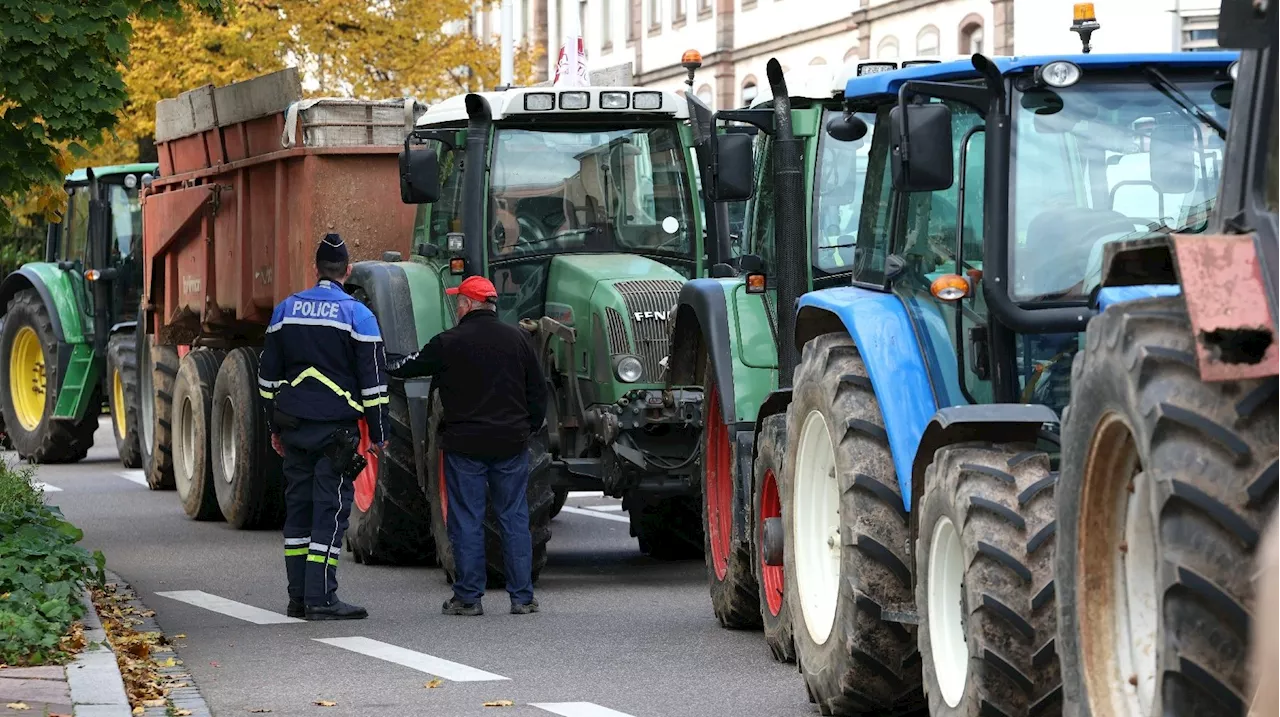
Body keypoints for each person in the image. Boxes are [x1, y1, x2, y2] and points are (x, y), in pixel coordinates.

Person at [386, 275, 546, 616]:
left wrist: (381, 359)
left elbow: (408, 369)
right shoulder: (518, 340)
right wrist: (527, 429)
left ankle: (469, 598)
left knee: (466, 519)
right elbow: (538, 392)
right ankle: (522, 598)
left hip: (465, 446)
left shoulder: (448, 342)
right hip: (510, 442)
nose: (457, 305)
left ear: (468, 305)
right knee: (514, 518)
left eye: (459, 300)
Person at [259, 233, 389, 621]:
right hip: (337, 433)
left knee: (298, 512)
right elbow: (375, 386)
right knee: (330, 513)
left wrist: (275, 427)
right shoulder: (358, 315)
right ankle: (322, 599)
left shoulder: (285, 311)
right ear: (347, 271)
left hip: (296, 429)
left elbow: (267, 379)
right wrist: (379, 434)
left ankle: (297, 597)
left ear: (315, 270)